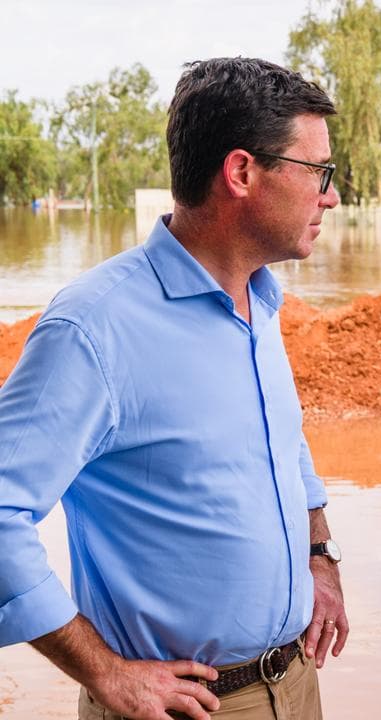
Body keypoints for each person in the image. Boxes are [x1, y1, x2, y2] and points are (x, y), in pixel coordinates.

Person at [0, 57, 349, 720]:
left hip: (297, 685)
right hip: (182, 708)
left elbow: (286, 446)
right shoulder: (94, 329)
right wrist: (105, 673)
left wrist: (321, 555)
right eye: (318, 173)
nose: (331, 196)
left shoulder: (261, 303)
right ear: (242, 172)